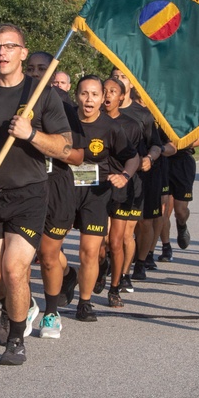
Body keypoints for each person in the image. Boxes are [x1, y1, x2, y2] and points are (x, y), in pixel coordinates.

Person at [0, 23, 73, 365]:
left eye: (9, 46)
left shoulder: (42, 94)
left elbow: (65, 147)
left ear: (23, 52)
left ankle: (17, 340)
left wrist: (31, 134)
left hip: (28, 195)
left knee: (14, 269)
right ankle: (19, 305)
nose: (2, 52)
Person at [68, 76, 138, 320]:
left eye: (95, 95)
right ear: (76, 95)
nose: (89, 99)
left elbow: (132, 157)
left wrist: (125, 176)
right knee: (48, 250)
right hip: (64, 189)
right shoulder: (63, 120)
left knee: (90, 250)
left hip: (96, 193)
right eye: (84, 94)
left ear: (102, 99)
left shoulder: (111, 127)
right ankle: (67, 274)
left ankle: (84, 303)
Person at [27, 51, 85, 337]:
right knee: (21, 254)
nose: (36, 73)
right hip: (25, 184)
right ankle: (23, 304)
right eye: (31, 68)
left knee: (48, 255)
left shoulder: (65, 106)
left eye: (42, 68)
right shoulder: (16, 100)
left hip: (57, 184)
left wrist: (43, 144)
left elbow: (77, 156)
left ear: (53, 73)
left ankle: (51, 314)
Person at [110, 68, 164, 286]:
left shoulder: (142, 115)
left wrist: (150, 158)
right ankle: (108, 265)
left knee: (126, 233)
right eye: (114, 77)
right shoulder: (102, 113)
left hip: (135, 180)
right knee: (107, 237)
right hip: (108, 179)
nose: (118, 80)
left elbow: (156, 145)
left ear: (131, 85)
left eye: (123, 77)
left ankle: (127, 273)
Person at [102, 77, 144, 302]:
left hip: (123, 188)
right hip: (96, 188)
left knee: (114, 241)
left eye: (112, 91)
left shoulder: (131, 125)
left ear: (121, 96)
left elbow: (135, 158)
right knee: (100, 242)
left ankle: (115, 287)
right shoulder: (91, 121)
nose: (107, 95)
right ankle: (100, 267)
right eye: (104, 91)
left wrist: (125, 176)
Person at [159, 132, 199, 261]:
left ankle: (182, 224)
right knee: (164, 210)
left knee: (180, 210)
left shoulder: (189, 113)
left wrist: (179, 145)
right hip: (163, 160)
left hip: (183, 162)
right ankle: (166, 247)